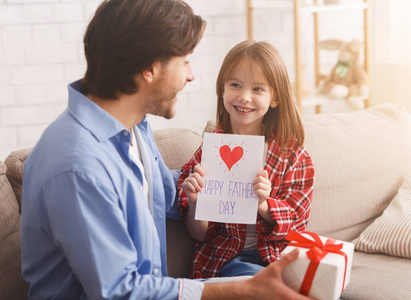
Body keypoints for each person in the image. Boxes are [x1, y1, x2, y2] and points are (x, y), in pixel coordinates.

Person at [20, 0, 313, 299]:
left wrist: (213, 187)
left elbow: (168, 194)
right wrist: (240, 290)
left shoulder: (135, 128)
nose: (191, 75)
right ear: (150, 68)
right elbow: (120, 292)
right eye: (185, 60)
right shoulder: (77, 167)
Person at [178, 40, 315, 279]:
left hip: (278, 257)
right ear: (222, 89)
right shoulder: (208, 153)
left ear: (275, 98)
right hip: (226, 259)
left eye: (258, 89)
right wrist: (196, 202)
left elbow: (296, 225)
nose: (244, 97)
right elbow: (199, 235)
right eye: (235, 85)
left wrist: (263, 204)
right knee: (251, 278)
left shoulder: (294, 157)